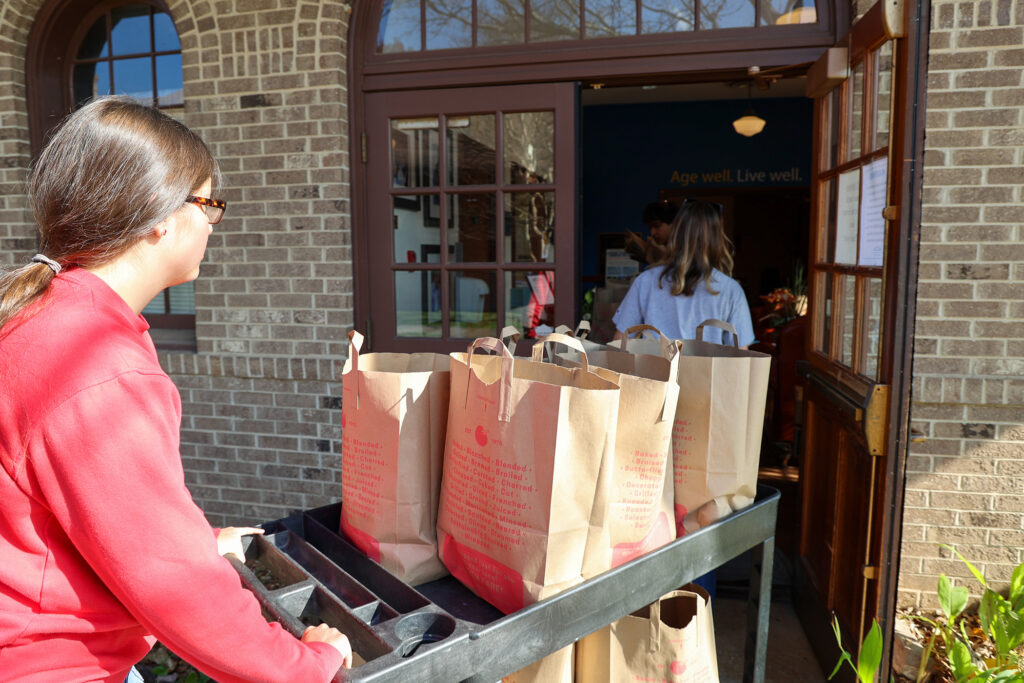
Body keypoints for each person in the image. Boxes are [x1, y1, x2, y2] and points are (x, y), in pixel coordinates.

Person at [0, 97, 352, 681]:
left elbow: (70, 515)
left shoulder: (39, 317)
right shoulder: (99, 367)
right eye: (208, 204)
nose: (212, 223)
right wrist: (304, 665)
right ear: (159, 215)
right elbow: (171, 583)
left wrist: (198, 542)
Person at [612, 198, 754, 348]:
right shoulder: (731, 290)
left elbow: (620, 343)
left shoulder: (645, 281)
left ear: (676, 234)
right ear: (717, 240)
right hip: (707, 365)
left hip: (655, 364)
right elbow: (741, 355)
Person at [624, 199, 677, 266]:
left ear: (673, 223)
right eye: (650, 227)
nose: (652, 233)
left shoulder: (686, 251)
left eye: (657, 226)